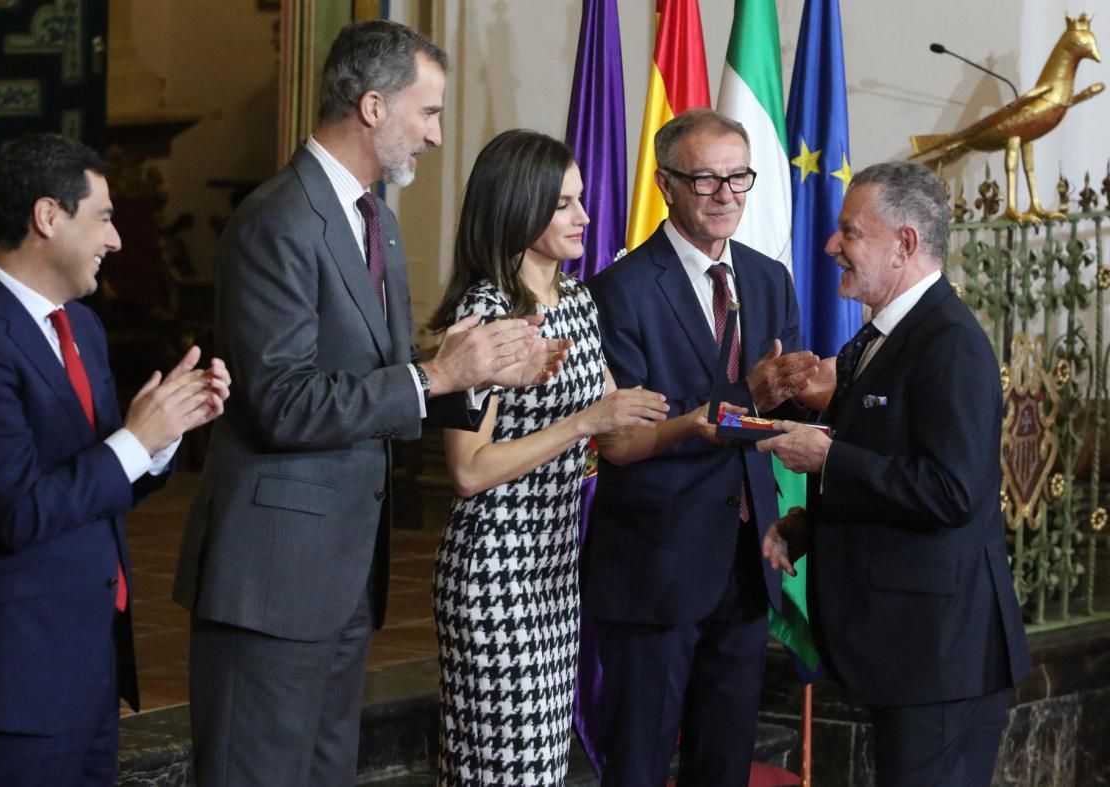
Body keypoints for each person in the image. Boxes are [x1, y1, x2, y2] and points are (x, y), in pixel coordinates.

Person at [171, 22, 565, 787]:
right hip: (271, 580)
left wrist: (482, 375)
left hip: (345, 573)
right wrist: (437, 375)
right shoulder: (277, 219)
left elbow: (388, 384)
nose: (438, 136)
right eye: (430, 113)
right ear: (374, 106)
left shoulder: (375, 218)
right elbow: (282, 401)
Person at [0, 132, 230, 786]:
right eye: (105, 217)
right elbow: (18, 513)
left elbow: (94, 489)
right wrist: (134, 441)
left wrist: (165, 432)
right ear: (47, 217)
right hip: (15, 679)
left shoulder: (80, 325)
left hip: (89, 665)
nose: (116, 240)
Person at [757, 161, 1031, 787]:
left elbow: (951, 491)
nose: (831, 246)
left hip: (940, 659)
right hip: (904, 653)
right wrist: (810, 524)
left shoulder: (949, 342)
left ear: (904, 243)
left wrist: (829, 460)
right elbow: (891, 465)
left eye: (849, 232)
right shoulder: (883, 337)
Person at [585, 108, 822, 787]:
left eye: (739, 178)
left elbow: (779, 407)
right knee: (638, 762)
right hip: (655, 563)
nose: (726, 196)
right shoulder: (620, 291)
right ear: (666, 184)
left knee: (723, 765)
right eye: (706, 179)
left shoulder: (768, 279)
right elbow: (629, 433)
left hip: (748, 562)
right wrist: (746, 393)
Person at [427, 129, 670, 786]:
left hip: (554, 570)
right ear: (517, 208)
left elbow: (620, 426)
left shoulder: (581, 303)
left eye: (580, 199)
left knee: (537, 770)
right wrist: (583, 421)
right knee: (501, 772)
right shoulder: (484, 315)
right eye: (564, 203)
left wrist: (713, 420)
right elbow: (468, 469)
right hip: (495, 571)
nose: (584, 216)